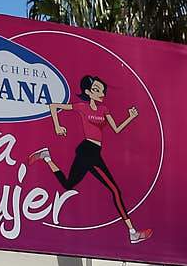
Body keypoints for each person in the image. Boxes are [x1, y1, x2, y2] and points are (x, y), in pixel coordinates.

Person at [31, 75, 151, 245]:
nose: (100, 93)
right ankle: (132, 232)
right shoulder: (82, 107)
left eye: (102, 90)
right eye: (96, 90)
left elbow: (116, 129)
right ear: (88, 92)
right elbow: (53, 106)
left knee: (68, 184)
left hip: (94, 152)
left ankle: (46, 157)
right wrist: (57, 126)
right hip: (87, 150)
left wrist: (130, 117)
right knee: (115, 191)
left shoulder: (104, 110)